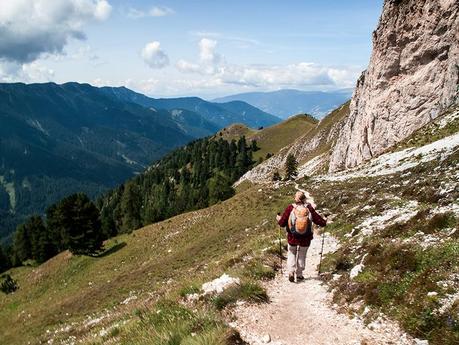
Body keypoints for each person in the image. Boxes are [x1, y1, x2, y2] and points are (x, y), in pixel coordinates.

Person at [276, 191, 326, 282]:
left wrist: (278, 218)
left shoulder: (290, 208)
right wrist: (325, 221)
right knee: (302, 255)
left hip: (292, 236)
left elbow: (282, 223)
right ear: (304, 199)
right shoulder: (309, 208)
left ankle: (291, 272)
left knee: (291, 253)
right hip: (306, 237)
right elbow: (319, 221)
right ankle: (299, 274)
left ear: (296, 199)